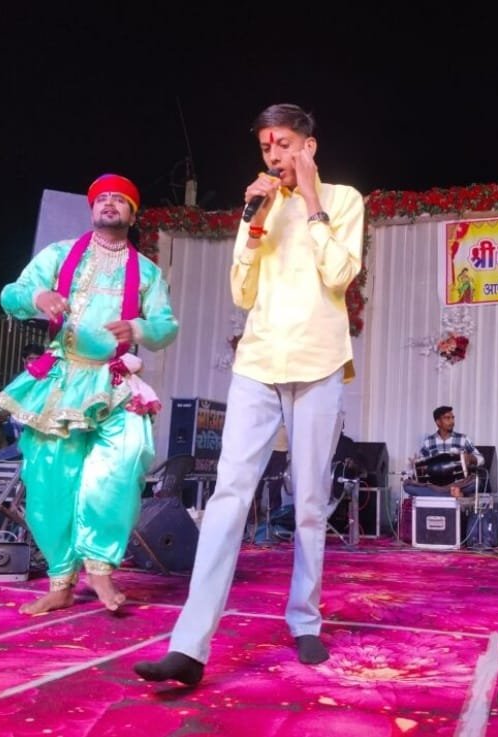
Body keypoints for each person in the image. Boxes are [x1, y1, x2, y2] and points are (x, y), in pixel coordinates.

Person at [134, 103, 363, 685]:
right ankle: (190, 646)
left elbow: (340, 275)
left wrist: (310, 201)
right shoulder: (260, 207)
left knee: (308, 500)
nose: (274, 156)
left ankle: (305, 620)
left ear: (309, 145)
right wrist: (253, 222)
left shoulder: (343, 200)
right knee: (229, 495)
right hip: (258, 362)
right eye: (266, 147)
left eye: (283, 144)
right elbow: (242, 290)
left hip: (318, 363)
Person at [0, 173, 179, 615]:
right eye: (102, 199)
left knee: (126, 459)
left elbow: (166, 326)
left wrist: (137, 328)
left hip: (114, 381)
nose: (109, 204)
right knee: (50, 479)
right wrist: (38, 296)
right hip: (61, 379)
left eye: (120, 200)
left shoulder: (147, 271)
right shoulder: (59, 255)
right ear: (93, 209)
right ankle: (61, 580)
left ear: (133, 214)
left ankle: (100, 567)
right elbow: (11, 294)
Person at [402, 405, 485, 497]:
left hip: (458, 484)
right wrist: (413, 465)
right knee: (407, 486)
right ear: (438, 422)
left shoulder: (463, 439)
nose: (452, 421)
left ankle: (443, 495)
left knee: (476, 483)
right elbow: (420, 465)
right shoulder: (429, 441)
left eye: (453, 418)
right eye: (447, 418)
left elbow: (481, 459)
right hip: (435, 486)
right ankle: (454, 495)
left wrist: (470, 458)